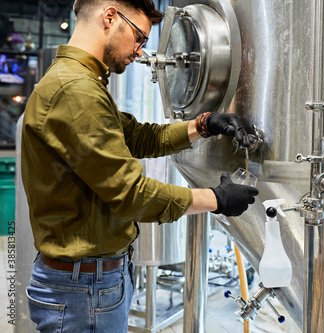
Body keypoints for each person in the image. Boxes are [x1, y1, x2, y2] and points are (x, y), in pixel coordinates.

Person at [21, 0, 259, 331]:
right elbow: (131, 194)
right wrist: (216, 199)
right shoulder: (75, 90)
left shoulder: (80, 82)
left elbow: (138, 136)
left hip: (89, 282)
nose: (139, 51)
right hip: (85, 290)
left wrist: (205, 124)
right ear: (109, 17)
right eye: (139, 37)